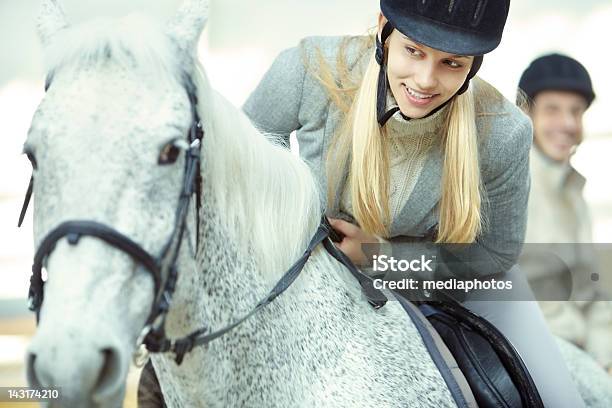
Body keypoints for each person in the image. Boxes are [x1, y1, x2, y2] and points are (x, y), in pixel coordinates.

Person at [242, 1, 585, 406]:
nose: (425, 80)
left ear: (475, 64)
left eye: (452, 64)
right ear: (384, 28)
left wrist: (385, 256)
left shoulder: (505, 132)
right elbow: (238, 179)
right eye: (413, 51)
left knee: (560, 399)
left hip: (451, 283)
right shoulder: (308, 69)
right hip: (310, 270)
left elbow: (496, 253)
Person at [517, 53, 612, 373]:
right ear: (525, 113)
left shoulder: (574, 190)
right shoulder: (512, 184)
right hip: (537, 354)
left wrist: (605, 359)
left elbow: (592, 290)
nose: (569, 124)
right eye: (553, 110)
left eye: (576, 111)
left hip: (585, 354)